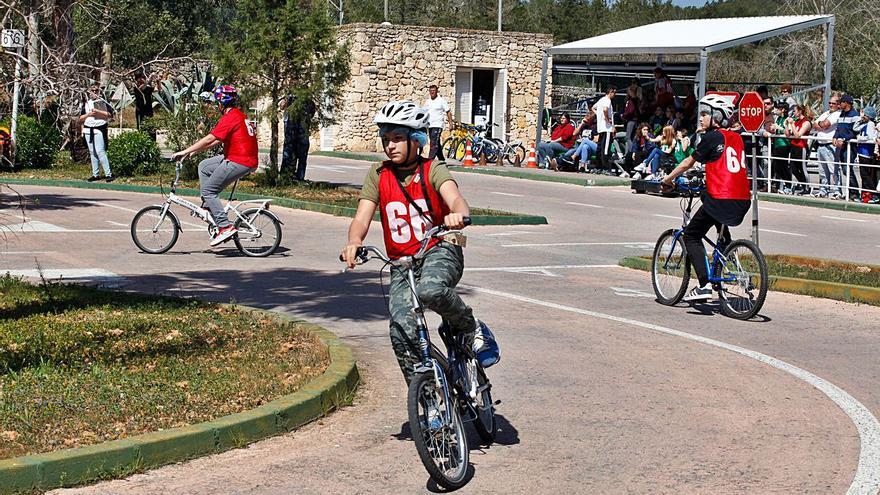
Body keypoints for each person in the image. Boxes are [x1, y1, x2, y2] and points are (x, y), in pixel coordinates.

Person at [340, 100, 487, 384]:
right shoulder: (378, 174)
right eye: (386, 140)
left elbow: (454, 196)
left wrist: (459, 214)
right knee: (400, 330)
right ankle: (429, 395)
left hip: (440, 249)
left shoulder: (432, 168)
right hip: (402, 263)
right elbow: (362, 216)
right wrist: (354, 241)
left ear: (416, 140)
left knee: (431, 290)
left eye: (397, 139)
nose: (390, 146)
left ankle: (470, 327)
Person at [661, 94, 750, 302]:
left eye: (704, 114)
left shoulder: (711, 137)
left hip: (720, 198)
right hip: (742, 200)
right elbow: (724, 165)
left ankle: (703, 285)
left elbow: (687, 164)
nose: (700, 118)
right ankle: (722, 267)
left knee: (691, 235)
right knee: (721, 233)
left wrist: (667, 179)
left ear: (716, 116)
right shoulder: (736, 138)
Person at [171, 85, 258, 246]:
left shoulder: (230, 117)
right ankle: (209, 206)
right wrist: (194, 151)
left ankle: (224, 227)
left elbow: (210, 138)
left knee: (208, 190)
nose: (215, 105)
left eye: (216, 102)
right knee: (204, 166)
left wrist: (185, 150)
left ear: (221, 103)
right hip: (238, 158)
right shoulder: (236, 115)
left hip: (240, 161)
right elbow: (218, 139)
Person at [80, 84, 115, 182]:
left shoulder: (103, 102)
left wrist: (98, 112)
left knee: (100, 151)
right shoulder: (87, 103)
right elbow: (81, 118)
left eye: (96, 91)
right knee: (92, 152)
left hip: (99, 129)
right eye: (92, 91)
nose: (94, 92)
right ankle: (95, 174)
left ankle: (108, 173)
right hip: (88, 129)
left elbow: (110, 115)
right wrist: (89, 114)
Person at [813, 95, 842, 198]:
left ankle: (836, 190)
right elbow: (815, 125)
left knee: (833, 169)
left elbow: (825, 124)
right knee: (822, 170)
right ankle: (823, 189)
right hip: (821, 144)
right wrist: (821, 125)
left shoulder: (838, 114)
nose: (830, 105)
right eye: (829, 103)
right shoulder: (826, 113)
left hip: (830, 145)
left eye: (833, 103)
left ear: (838, 105)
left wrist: (821, 125)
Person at [835, 94, 861, 200]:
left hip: (850, 147)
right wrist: (835, 137)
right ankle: (850, 192)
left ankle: (855, 193)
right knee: (845, 169)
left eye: (841, 102)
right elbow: (838, 128)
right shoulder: (841, 114)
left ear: (846, 103)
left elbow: (855, 132)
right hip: (842, 146)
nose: (839, 104)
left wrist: (844, 139)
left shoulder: (855, 115)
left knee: (847, 169)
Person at [783, 104, 813, 195]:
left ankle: (807, 187)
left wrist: (792, 123)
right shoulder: (796, 121)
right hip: (794, 147)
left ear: (800, 111)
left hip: (801, 147)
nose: (793, 113)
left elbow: (797, 135)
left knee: (802, 168)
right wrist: (787, 125)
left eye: (795, 111)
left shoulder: (806, 122)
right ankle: (802, 184)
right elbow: (788, 135)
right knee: (793, 168)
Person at [855, 106, 879, 203]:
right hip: (862, 152)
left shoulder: (870, 124)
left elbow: (869, 137)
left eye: (864, 114)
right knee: (864, 175)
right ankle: (866, 196)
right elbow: (855, 128)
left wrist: (859, 138)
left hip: (866, 153)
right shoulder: (866, 123)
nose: (863, 115)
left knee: (865, 175)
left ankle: (874, 194)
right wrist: (860, 119)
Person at [424, 84, 453, 161]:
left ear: (437, 91)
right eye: (431, 91)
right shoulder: (428, 102)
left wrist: (450, 123)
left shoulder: (441, 101)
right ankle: (442, 160)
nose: (432, 92)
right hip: (430, 125)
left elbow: (448, 112)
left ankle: (429, 161)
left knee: (433, 143)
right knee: (435, 143)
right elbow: (424, 113)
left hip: (438, 125)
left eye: (434, 91)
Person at [769, 100, 792, 194]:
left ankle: (788, 186)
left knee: (783, 166)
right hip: (777, 144)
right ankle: (784, 185)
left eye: (778, 108)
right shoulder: (778, 119)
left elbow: (788, 133)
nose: (775, 110)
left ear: (783, 110)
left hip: (784, 145)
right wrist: (774, 129)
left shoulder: (787, 119)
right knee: (776, 166)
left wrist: (779, 128)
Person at [592, 85, 616, 171]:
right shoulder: (607, 100)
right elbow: (605, 109)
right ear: (610, 92)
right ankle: (605, 167)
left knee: (600, 147)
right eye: (614, 93)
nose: (615, 95)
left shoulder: (601, 100)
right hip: (607, 129)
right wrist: (607, 118)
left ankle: (598, 166)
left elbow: (593, 108)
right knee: (605, 149)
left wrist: (599, 115)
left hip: (601, 128)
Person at [133, 73, 156, 140]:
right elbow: (142, 88)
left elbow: (157, 89)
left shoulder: (148, 88)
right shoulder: (136, 87)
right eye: (141, 78)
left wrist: (158, 81)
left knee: (151, 128)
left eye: (143, 78)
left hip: (149, 111)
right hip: (140, 111)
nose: (143, 79)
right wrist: (149, 79)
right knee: (142, 128)